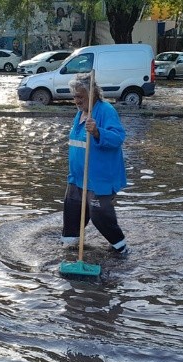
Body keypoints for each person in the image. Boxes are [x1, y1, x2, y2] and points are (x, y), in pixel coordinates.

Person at [61, 72, 129, 256]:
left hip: (99, 179)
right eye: (74, 96)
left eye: (80, 96)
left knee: (101, 216)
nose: (76, 100)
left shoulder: (106, 110)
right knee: (72, 211)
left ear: (92, 94)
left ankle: (120, 248)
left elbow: (118, 138)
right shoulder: (80, 114)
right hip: (77, 178)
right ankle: (71, 249)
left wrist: (98, 132)